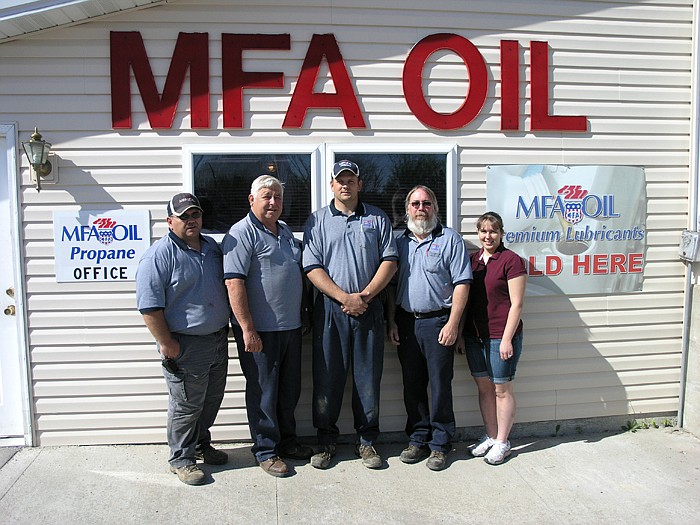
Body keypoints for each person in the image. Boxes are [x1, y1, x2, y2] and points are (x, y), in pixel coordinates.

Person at [303, 160, 398, 469]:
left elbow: (390, 261)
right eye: (339, 180)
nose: (345, 185)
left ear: (360, 185)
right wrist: (343, 297)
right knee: (327, 377)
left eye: (351, 180)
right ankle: (326, 441)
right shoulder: (317, 221)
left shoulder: (377, 218)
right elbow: (311, 267)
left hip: (369, 308)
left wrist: (364, 296)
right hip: (330, 310)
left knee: (367, 378)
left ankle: (367, 442)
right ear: (331, 185)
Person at [222, 175, 314, 478]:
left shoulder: (285, 231)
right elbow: (234, 283)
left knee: (289, 390)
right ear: (252, 200)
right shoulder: (241, 233)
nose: (273, 202)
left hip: (290, 327)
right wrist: (247, 328)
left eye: (277, 196)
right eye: (266, 196)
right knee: (264, 392)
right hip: (259, 331)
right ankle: (265, 450)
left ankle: (287, 442)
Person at [136, 193, 230, 485]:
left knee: (211, 400)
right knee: (186, 404)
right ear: (169, 221)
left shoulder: (211, 248)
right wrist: (167, 343)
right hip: (185, 344)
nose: (191, 220)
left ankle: (201, 444)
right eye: (184, 216)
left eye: (195, 215)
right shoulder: (159, 255)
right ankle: (181, 458)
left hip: (216, 340)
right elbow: (149, 305)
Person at [387, 185, 472, 471]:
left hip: (439, 323)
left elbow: (462, 284)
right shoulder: (399, 243)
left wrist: (453, 324)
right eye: (415, 204)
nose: (420, 208)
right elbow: (392, 287)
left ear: (434, 207)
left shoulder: (450, 240)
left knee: (439, 386)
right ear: (407, 209)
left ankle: (440, 444)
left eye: (426, 203)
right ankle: (418, 438)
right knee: (412, 386)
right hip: (407, 323)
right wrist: (391, 322)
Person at [463, 211, 527, 465]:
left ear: (501, 233)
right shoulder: (473, 260)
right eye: (483, 231)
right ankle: (490, 436)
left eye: (493, 231)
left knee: (502, 389)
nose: (488, 236)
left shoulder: (511, 261)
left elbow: (517, 304)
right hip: (475, 336)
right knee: (484, 388)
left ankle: (502, 441)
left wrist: (507, 339)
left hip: (500, 336)